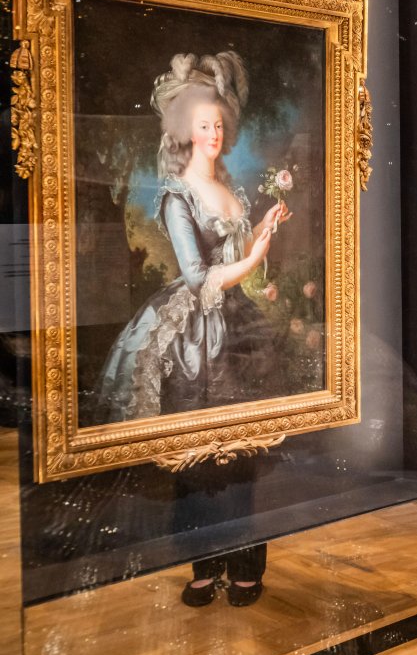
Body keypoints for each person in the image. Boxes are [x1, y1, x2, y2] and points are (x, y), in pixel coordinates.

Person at [92, 51, 291, 425]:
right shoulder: (177, 195)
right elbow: (200, 279)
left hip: (236, 316)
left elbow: (230, 257)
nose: (213, 135)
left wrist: (263, 227)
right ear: (186, 130)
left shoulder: (227, 187)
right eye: (204, 126)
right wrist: (251, 263)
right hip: (196, 331)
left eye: (218, 126)